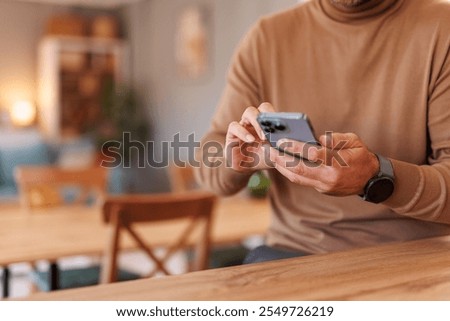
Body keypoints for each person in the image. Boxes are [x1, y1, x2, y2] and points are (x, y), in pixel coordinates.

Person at [195, 0, 450, 263]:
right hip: (292, 257)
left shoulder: (443, 29)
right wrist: (240, 158)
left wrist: (376, 177)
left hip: (414, 260)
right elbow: (208, 165)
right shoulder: (266, 39)